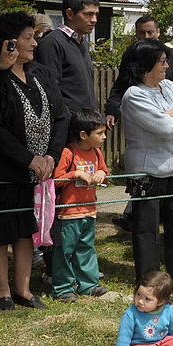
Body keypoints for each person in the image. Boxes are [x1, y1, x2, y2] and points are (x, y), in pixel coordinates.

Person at [0, 11, 69, 311]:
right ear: (8, 42)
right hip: (0, 168)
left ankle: (23, 289)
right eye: (27, 37)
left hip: (37, 170)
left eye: (33, 36)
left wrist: (50, 155)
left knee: (25, 230)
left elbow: (60, 115)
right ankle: (1, 290)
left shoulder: (41, 73)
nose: (34, 42)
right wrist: (27, 158)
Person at [121, 39, 173, 282]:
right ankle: (149, 277)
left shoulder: (167, 86)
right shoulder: (134, 95)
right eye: (162, 62)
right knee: (147, 230)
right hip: (147, 172)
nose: (166, 66)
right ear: (145, 66)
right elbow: (164, 127)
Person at [104, 16, 173, 232]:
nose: (146, 36)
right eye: (142, 33)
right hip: (146, 119)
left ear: (158, 33)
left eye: (150, 32)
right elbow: (120, 86)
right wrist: (112, 110)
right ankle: (132, 215)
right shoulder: (134, 56)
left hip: (171, 111)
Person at [51, 108, 110, 301]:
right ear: (83, 135)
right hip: (68, 213)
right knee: (64, 251)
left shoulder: (97, 153)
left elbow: (105, 174)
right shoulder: (68, 153)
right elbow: (56, 180)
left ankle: (88, 284)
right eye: (100, 133)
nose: (104, 137)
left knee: (86, 248)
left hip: (89, 211)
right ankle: (63, 287)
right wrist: (74, 174)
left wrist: (102, 175)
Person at [36, 0, 99, 113]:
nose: (94, 20)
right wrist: (67, 120)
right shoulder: (52, 43)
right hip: (68, 126)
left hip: (87, 124)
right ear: (70, 14)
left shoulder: (83, 43)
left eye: (96, 14)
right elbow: (50, 91)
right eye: (88, 14)